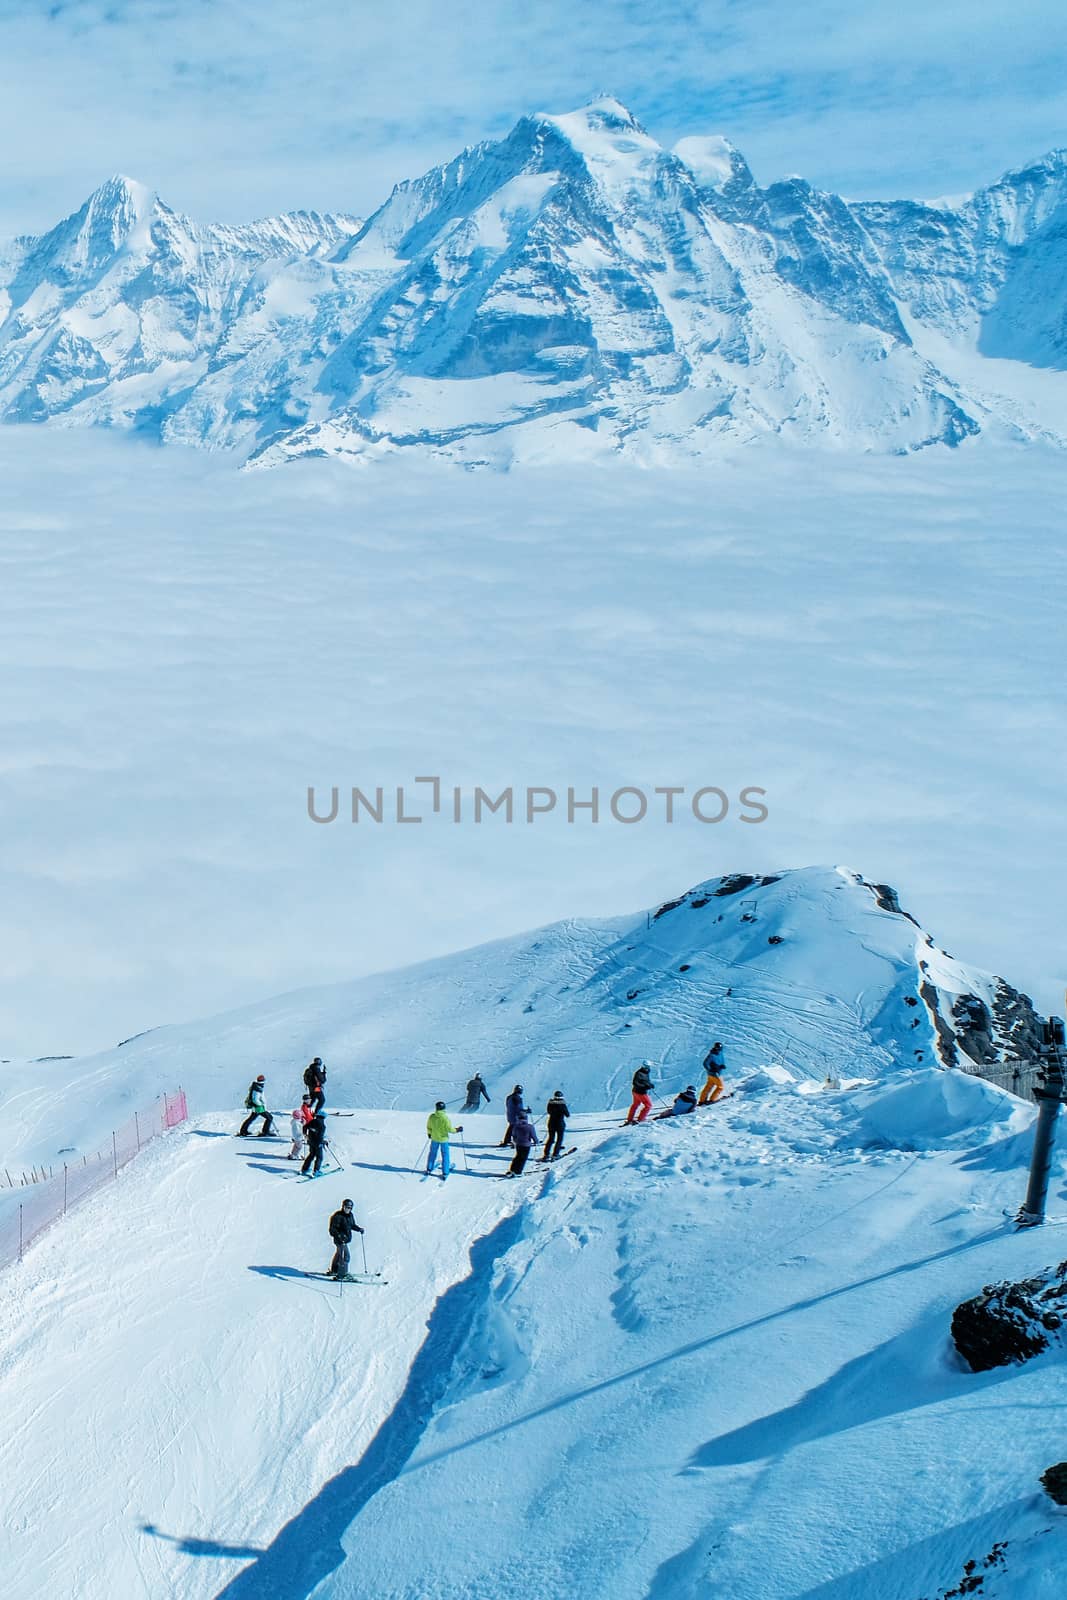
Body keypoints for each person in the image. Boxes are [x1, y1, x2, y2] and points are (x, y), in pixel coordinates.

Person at [328, 1198, 364, 1279]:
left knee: (339, 1254)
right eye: (347, 1207)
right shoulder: (337, 1216)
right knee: (345, 1256)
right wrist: (339, 1236)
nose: (348, 1209)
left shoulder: (350, 1215)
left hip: (345, 1239)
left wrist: (359, 1229)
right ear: (343, 1206)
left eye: (350, 1208)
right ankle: (342, 1274)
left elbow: (352, 1225)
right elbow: (332, 1229)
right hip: (339, 1240)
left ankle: (334, 1270)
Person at [426, 1102, 462, 1179]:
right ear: (444, 1108)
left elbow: (429, 1126)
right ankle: (445, 1172)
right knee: (445, 1155)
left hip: (434, 1138)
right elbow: (450, 1129)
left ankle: (429, 1168)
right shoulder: (445, 1118)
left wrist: (429, 1134)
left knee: (432, 1153)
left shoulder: (432, 1116)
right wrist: (457, 1130)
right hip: (443, 1140)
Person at [539, 1090, 570, 1161]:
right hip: (560, 1124)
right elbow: (567, 1114)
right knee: (559, 1139)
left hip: (551, 1123)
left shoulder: (550, 1103)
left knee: (551, 1139)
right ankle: (555, 1154)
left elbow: (549, 1111)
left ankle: (546, 1154)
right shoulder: (562, 1103)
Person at [506, 1107, 538, 1176]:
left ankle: (512, 1169)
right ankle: (518, 1171)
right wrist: (536, 1142)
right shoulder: (529, 1127)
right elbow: (533, 1136)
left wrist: (515, 1141)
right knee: (523, 1159)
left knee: (517, 1157)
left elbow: (514, 1135)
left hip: (518, 1144)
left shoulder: (516, 1126)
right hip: (526, 1145)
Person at [301, 1109, 328, 1176]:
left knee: (311, 1155)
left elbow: (305, 1127)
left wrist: (305, 1134)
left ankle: (304, 1169)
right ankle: (316, 1171)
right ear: (324, 1117)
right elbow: (320, 1136)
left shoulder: (312, 1121)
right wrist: (323, 1142)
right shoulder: (322, 1126)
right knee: (319, 1157)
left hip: (310, 1141)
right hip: (317, 1143)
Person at [288, 1095, 313, 1159]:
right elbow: (297, 1130)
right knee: (299, 1146)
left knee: (296, 1146)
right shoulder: (296, 1123)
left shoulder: (296, 1121)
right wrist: (302, 1134)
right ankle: (295, 1155)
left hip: (297, 1137)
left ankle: (293, 1154)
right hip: (298, 1137)